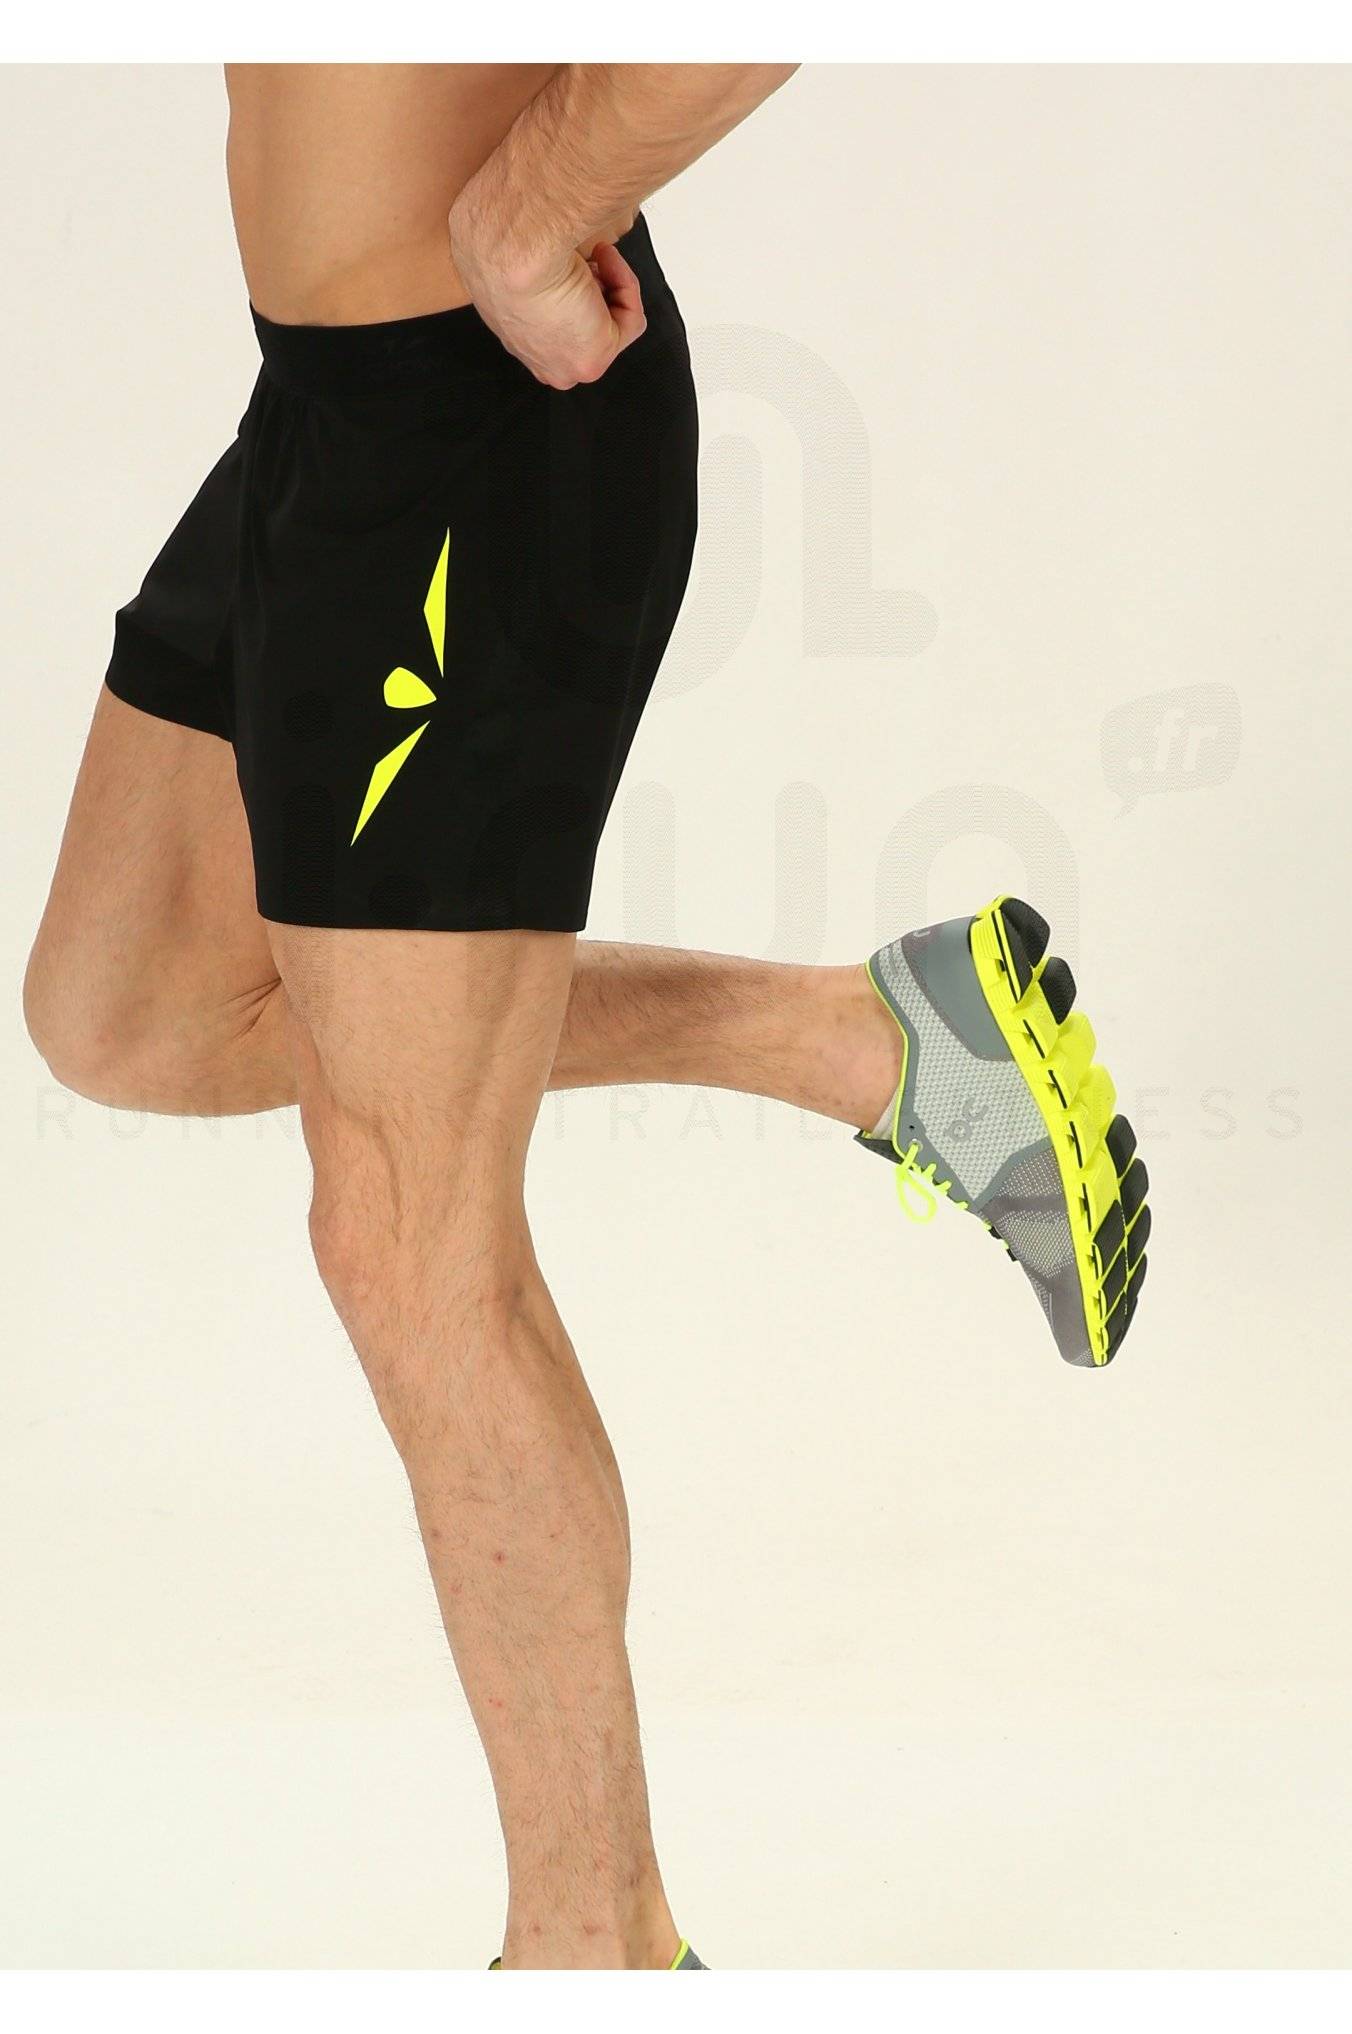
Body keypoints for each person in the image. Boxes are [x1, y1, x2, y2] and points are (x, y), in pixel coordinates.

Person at [22, 62, 1149, 1970]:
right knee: (126, 1009)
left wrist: (537, 203)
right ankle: (868, 1040)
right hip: (320, 418)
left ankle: (599, 1952)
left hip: (473, 426)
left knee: (406, 1240)